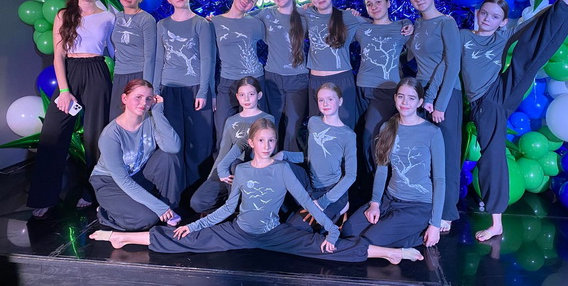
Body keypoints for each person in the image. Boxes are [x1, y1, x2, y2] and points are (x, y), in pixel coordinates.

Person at [90, 119, 423, 264]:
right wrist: (194, 225)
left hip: (273, 234)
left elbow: (308, 203)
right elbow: (227, 209)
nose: (266, 145)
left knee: (325, 248)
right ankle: (121, 237)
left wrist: (333, 231)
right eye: (261, 140)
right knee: (184, 238)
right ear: (251, 143)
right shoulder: (243, 170)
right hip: (238, 232)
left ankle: (389, 253)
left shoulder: (282, 170)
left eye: (271, 140)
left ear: (275, 143)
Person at [461, 0, 568, 241]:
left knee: (530, 52)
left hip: (498, 93)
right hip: (483, 103)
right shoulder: (462, 36)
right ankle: (494, 218)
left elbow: (536, 23)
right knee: (492, 153)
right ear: (477, 13)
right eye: (484, 13)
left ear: (502, 22)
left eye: (494, 16)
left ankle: (496, 222)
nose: (487, 19)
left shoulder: (503, 35)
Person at [28, 0, 115, 218]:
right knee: (53, 135)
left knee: (96, 137)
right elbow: (58, 55)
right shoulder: (63, 14)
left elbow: (115, 51)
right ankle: (44, 197)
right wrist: (64, 90)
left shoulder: (108, 17)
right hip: (70, 71)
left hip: (97, 71)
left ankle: (93, 193)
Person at [341, 77, 445, 250]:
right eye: (401, 96)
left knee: (370, 241)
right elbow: (382, 169)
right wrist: (375, 203)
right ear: (395, 98)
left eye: (411, 98)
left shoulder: (432, 132)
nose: (405, 102)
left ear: (420, 102)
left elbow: (440, 180)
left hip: (417, 205)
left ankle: (417, 234)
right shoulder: (387, 127)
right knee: (348, 231)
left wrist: (435, 224)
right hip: (390, 200)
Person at [405, 0, 461, 233]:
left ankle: (448, 211)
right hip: (421, 94)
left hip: (444, 95)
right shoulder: (417, 24)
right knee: (425, 154)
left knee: (447, 154)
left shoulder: (446, 23)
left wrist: (440, 104)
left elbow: (452, 65)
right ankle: (428, 206)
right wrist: (406, 29)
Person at [91, 79, 182, 231]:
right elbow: (123, 180)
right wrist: (158, 208)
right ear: (124, 98)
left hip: (137, 175)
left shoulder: (151, 120)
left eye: (149, 98)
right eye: (138, 97)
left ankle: (169, 209)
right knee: (147, 218)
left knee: (168, 158)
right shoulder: (110, 135)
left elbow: (173, 148)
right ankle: (106, 212)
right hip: (110, 182)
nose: (144, 103)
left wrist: (158, 112)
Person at [153, 0, 215, 189]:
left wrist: (204, 92)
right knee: (174, 141)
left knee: (200, 141)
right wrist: (155, 90)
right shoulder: (162, 25)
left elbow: (208, 59)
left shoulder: (201, 23)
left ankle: (196, 191)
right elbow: (158, 59)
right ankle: (176, 190)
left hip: (195, 89)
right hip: (168, 90)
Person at [189, 76, 274, 214]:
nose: (246, 99)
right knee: (198, 202)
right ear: (237, 97)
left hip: (249, 170)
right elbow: (223, 150)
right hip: (227, 170)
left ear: (259, 95)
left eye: (251, 94)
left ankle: (239, 210)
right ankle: (228, 210)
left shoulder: (266, 119)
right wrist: (213, 176)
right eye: (242, 95)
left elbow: (260, 149)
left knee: (236, 165)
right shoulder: (231, 120)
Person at [279, 83, 357, 225]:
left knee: (297, 227)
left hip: (331, 191)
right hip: (311, 185)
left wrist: (323, 202)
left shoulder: (348, 134)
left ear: (340, 101)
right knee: (278, 166)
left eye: (330, 99)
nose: (325, 103)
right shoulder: (313, 122)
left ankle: (341, 208)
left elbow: (351, 176)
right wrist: (284, 155)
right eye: (321, 100)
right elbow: (311, 156)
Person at [355, 0, 412, 175]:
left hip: (386, 90)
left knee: (373, 136)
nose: (374, 6)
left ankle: (379, 182)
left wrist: (409, 23)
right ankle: (365, 182)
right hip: (361, 88)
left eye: (378, 1)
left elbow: (421, 42)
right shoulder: (362, 28)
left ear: (388, 3)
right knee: (359, 134)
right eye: (369, 4)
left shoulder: (401, 28)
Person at [254, 0, 308, 151]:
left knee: (293, 126)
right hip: (273, 78)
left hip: (298, 78)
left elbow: (326, 17)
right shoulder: (266, 13)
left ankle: (290, 161)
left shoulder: (304, 15)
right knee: (272, 123)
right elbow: (240, 18)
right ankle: (270, 159)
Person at [305, 0, 366, 129]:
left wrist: (406, 24)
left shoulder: (347, 16)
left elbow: (377, 24)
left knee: (345, 125)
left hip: (341, 80)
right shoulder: (307, 14)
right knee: (318, 127)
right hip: (316, 81)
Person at [211, 0, 266, 149]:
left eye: (252, 0)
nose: (246, 1)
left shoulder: (256, 24)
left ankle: (256, 163)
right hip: (227, 81)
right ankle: (223, 164)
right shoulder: (214, 22)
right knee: (223, 130)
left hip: (253, 80)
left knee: (257, 131)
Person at [109, 0, 157, 120]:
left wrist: (147, 87)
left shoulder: (146, 20)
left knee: (137, 120)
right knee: (116, 119)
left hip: (139, 75)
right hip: (119, 75)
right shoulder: (115, 18)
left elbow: (150, 56)